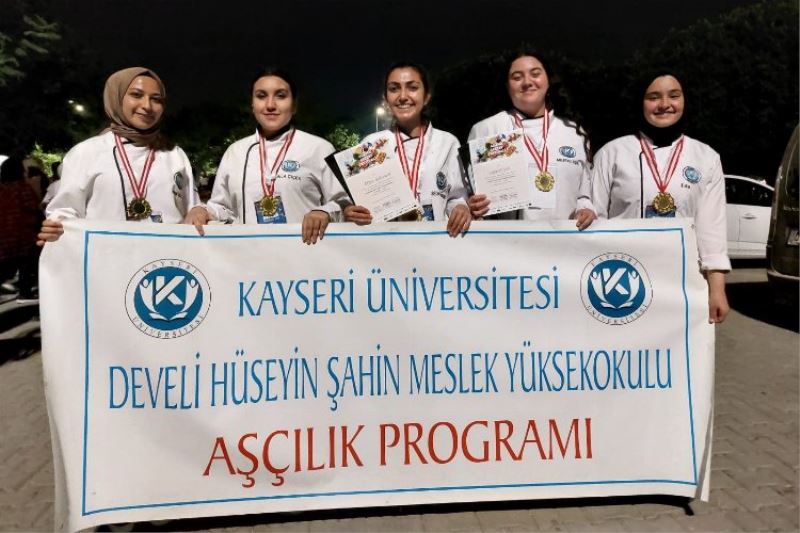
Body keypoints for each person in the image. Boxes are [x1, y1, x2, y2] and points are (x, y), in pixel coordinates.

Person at [591, 72, 730, 324]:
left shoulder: (706, 157)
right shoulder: (612, 153)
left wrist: (717, 290)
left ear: (685, 100)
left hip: (682, 281)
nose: (664, 104)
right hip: (621, 281)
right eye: (653, 97)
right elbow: (594, 220)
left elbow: (711, 230)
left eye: (673, 96)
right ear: (640, 102)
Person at [184, 67, 351, 245]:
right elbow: (222, 207)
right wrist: (203, 211)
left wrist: (324, 212)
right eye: (261, 96)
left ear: (294, 105)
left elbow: (344, 204)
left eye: (281, 96)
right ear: (252, 104)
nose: (270, 105)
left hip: (305, 254)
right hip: (248, 255)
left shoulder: (319, 148)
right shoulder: (235, 152)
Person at [38, 67, 198, 244]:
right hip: (105, 254)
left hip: (164, 256)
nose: (147, 106)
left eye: (156, 99)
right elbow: (66, 210)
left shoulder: (174, 154)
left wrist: (199, 210)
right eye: (136, 95)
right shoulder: (86, 152)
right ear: (116, 97)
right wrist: (57, 227)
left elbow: (192, 206)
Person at [467, 51, 595, 229]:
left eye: (535, 74)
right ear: (507, 86)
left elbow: (584, 196)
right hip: (509, 241)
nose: (527, 82)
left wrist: (585, 209)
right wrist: (471, 204)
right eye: (517, 77)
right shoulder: (487, 130)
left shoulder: (574, 132)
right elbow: (468, 193)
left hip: (565, 240)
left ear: (548, 80)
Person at [343, 61, 471, 237]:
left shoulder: (447, 143)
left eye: (412, 87)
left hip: (435, 242)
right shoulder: (371, 145)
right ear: (386, 98)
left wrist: (461, 208)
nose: (403, 96)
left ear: (426, 96)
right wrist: (351, 211)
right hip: (385, 242)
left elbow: (456, 196)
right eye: (394, 89)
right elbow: (356, 201)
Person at [0, 157, 42, 302]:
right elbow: (34, 208)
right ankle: (25, 292)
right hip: (22, 234)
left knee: (5, 266)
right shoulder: (23, 188)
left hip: (3, 235)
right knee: (26, 263)